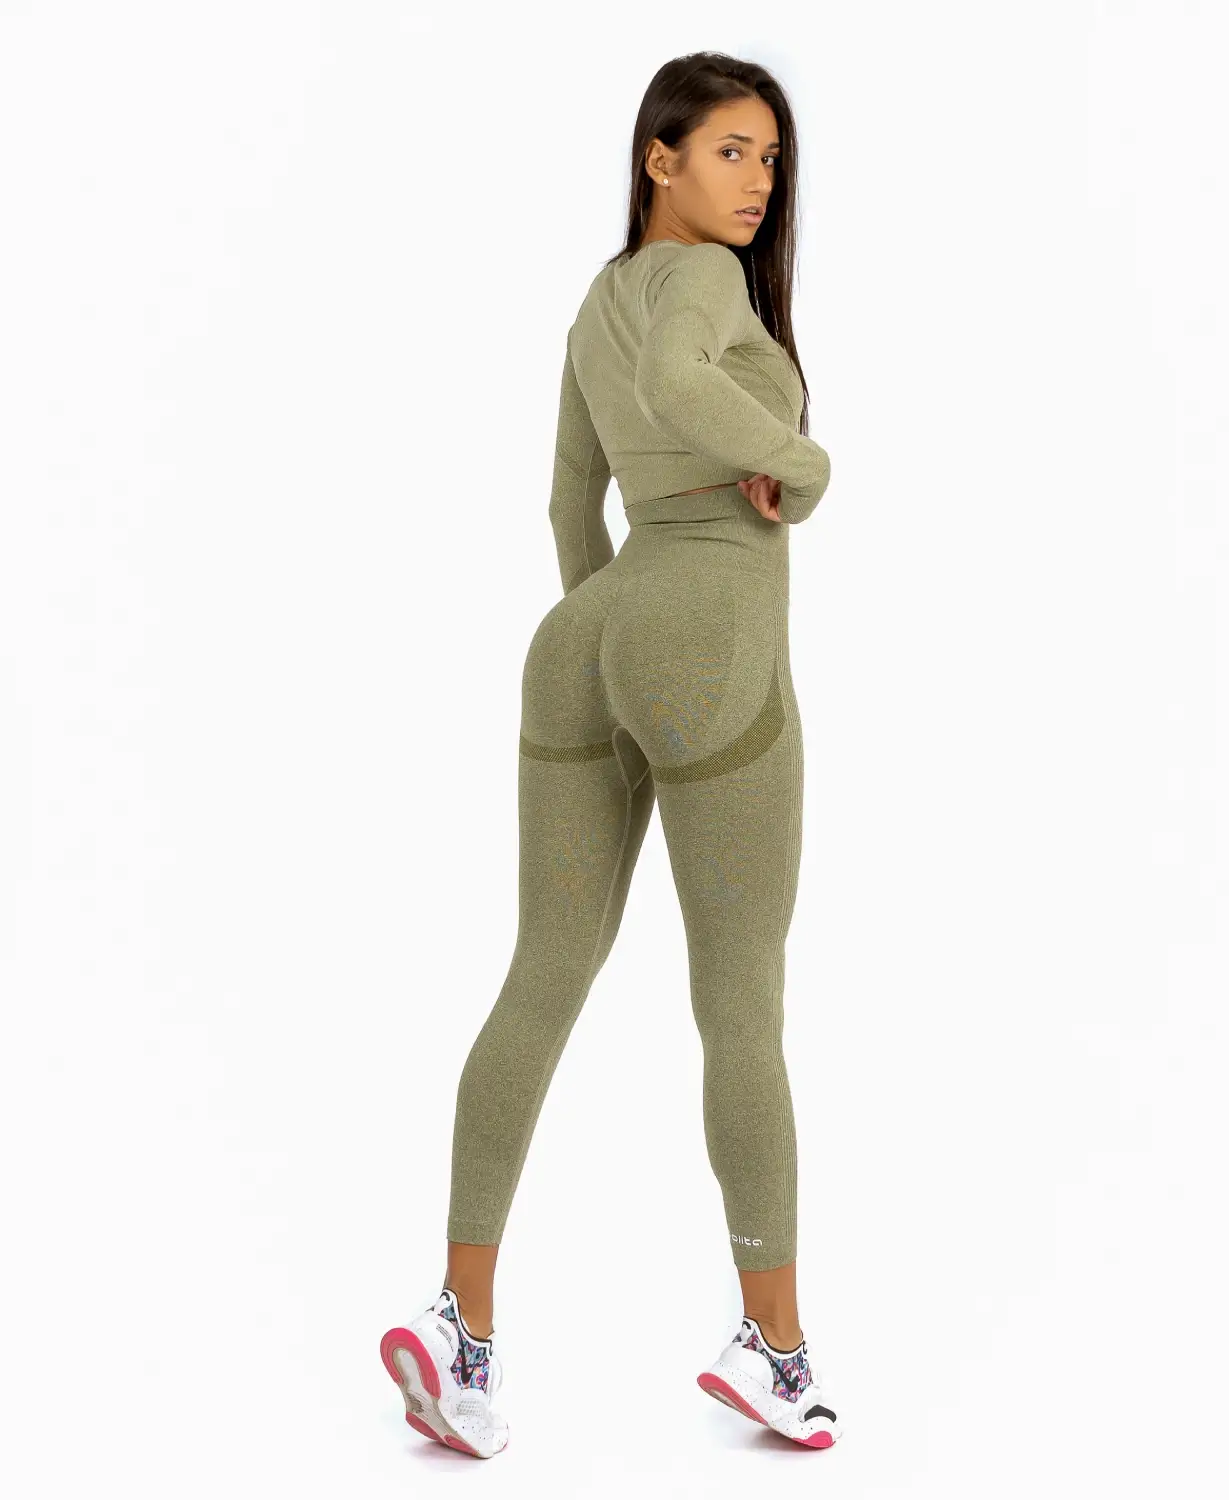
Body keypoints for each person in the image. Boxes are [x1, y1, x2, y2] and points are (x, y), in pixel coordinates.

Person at [379, 50, 842, 1457]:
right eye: (730, 151)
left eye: (771, 157)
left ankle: (460, 1329)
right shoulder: (700, 282)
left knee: (542, 973)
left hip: (585, 635)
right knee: (740, 1005)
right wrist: (803, 463)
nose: (757, 182)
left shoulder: (594, 299)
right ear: (660, 157)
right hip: (708, 629)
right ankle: (777, 1352)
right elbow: (679, 381)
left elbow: (568, 498)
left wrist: (611, 639)